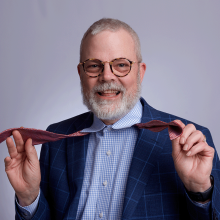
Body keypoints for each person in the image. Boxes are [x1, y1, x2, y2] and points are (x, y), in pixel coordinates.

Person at [4, 18, 220, 220]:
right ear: (81, 73)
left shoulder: (189, 141)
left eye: (121, 65)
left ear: (140, 72)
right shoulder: (57, 139)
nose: (106, 76)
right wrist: (29, 197)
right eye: (94, 65)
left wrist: (199, 190)